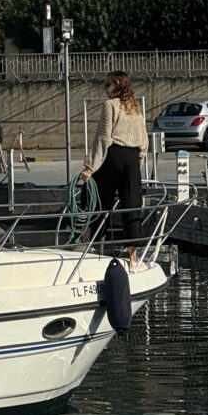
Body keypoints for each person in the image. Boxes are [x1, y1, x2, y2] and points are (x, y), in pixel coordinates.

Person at [79, 71, 148, 269]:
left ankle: (92, 244)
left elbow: (103, 138)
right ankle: (133, 257)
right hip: (133, 159)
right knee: (132, 204)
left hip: (114, 156)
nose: (105, 89)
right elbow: (143, 140)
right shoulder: (135, 108)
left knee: (98, 199)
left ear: (116, 86)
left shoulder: (109, 106)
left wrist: (90, 167)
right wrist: (138, 163)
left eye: (107, 85)